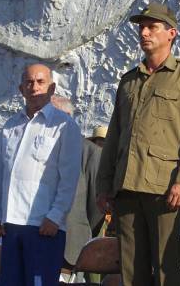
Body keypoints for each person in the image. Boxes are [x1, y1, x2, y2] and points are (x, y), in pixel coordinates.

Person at [96, 1, 180, 286]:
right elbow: (114, 136)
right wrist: (104, 184)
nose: (144, 33)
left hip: (164, 188)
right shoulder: (129, 81)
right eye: (141, 27)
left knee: (164, 269)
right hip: (126, 187)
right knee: (131, 270)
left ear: (171, 33)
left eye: (152, 27)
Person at [0, 64, 81, 286]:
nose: (34, 87)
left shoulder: (63, 125)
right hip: (10, 224)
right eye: (29, 82)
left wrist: (55, 215)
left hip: (43, 225)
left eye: (40, 82)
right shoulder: (10, 127)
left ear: (52, 88)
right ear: (21, 89)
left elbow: (69, 177)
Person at [51, 95, 104, 282]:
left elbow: (96, 206)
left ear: (68, 117)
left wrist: (80, 226)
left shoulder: (91, 153)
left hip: (71, 245)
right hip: (38, 241)